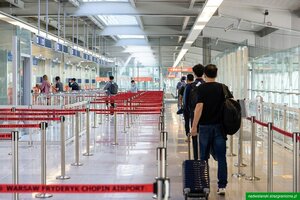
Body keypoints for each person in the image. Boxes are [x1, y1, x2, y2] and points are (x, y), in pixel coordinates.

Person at [191, 64, 233, 195]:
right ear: (216, 73)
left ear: (204, 74)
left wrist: (193, 126)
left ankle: (204, 185)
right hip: (220, 127)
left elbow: (199, 107)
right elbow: (230, 104)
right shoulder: (223, 88)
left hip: (204, 127)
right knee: (221, 157)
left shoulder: (201, 88)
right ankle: (222, 186)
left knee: (203, 157)